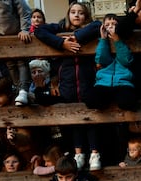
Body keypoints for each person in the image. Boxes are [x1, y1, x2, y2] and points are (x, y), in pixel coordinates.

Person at [34, 1, 102, 171]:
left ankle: (95, 153)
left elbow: (98, 25)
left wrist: (76, 37)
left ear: (85, 16)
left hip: (87, 83)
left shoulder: (90, 29)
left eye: (80, 12)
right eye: (73, 12)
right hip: (67, 85)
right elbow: (39, 30)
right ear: (68, 14)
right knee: (74, 119)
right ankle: (78, 154)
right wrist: (61, 43)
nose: (77, 15)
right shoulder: (59, 28)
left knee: (92, 117)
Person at [86, 13, 137, 111]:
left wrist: (117, 40)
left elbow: (125, 60)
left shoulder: (124, 40)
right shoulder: (103, 40)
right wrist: (103, 40)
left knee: (127, 102)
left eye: (114, 24)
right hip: (103, 82)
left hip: (123, 82)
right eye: (107, 25)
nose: (110, 27)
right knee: (91, 100)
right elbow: (101, 60)